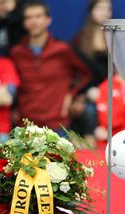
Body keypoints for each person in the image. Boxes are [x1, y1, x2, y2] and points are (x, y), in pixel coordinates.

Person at [10, 0, 92, 133]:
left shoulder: (63, 49)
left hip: (57, 125)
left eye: (38, 16)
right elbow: (11, 84)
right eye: (28, 17)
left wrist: (73, 94)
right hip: (25, 126)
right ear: (24, 22)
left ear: (48, 20)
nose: (33, 21)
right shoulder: (16, 52)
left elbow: (88, 74)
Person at [72, 0, 111, 99]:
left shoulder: (115, 37)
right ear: (91, 11)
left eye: (108, 9)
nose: (105, 12)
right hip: (87, 89)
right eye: (101, 8)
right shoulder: (80, 38)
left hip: (111, 88)